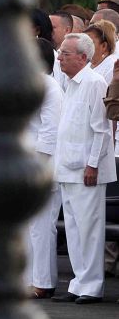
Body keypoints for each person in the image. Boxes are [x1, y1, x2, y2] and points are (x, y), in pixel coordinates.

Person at [51, 32, 115, 304]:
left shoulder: (94, 83)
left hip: (86, 169)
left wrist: (92, 165)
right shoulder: (70, 83)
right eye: (60, 52)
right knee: (75, 230)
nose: (60, 57)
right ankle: (78, 283)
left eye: (66, 53)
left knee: (89, 229)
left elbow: (101, 130)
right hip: (67, 166)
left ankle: (91, 286)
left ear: (82, 57)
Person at [24, 38, 63, 299]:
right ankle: (29, 278)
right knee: (27, 227)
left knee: (41, 226)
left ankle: (43, 282)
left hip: (43, 167)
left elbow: (49, 133)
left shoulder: (50, 87)